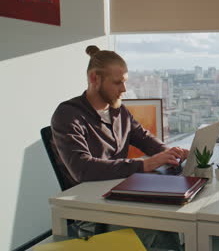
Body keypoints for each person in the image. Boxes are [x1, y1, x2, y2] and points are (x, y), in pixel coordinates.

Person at [51, 45, 188, 250]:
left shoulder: (118, 110)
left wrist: (169, 154)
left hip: (122, 197)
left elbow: (144, 138)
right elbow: (82, 168)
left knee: (169, 216)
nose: (123, 89)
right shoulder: (68, 114)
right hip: (93, 212)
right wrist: (144, 165)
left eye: (124, 82)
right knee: (158, 226)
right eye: (117, 83)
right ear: (94, 78)